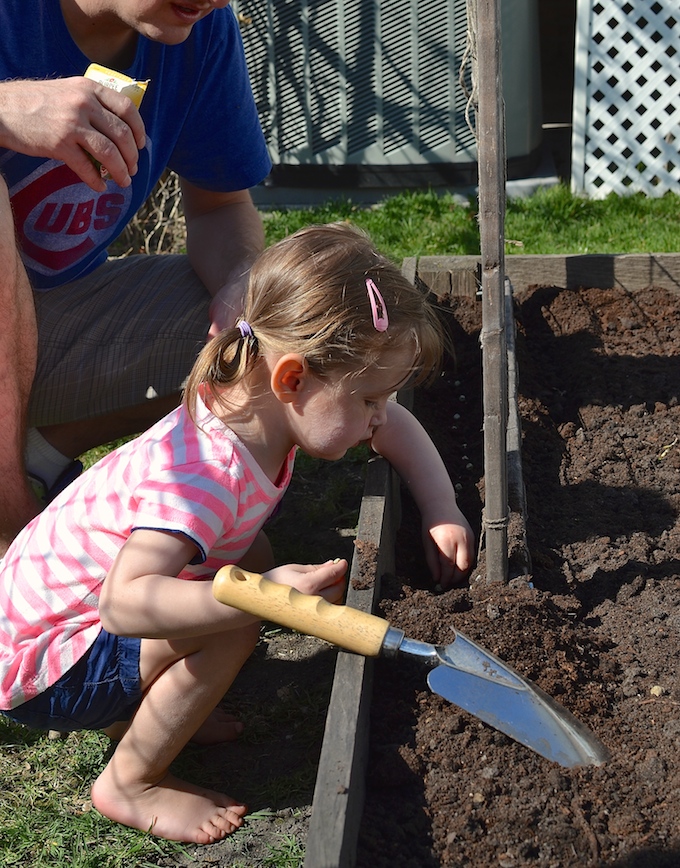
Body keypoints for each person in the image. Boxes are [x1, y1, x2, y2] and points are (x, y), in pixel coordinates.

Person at [0, 222, 475, 845]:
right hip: (41, 662)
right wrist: (259, 591)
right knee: (238, 619)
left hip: (59, 618)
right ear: (293, 380)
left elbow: (393, 427)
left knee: (249, 554)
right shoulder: (207, 480)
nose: (380, 416)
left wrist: (442, 506)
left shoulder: (251, 405)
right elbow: (123, 602)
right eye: (368, 401)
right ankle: (130, 780)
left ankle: (151, 706)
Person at [0, 0, 272, 556]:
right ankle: (12, 528)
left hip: (50, 329)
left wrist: (241, 286)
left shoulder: (203, 29)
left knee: (270, 326)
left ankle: (37, 455)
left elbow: (221, 209)